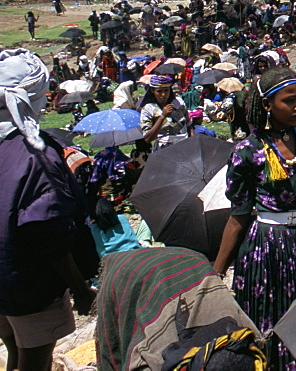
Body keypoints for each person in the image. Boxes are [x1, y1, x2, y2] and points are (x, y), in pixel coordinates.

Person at [213, 67, 296, 370]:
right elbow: (239, 216)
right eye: (289, 101)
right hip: (267, 250)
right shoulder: (248, 151)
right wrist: (216, 272)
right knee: (270, 324)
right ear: (267, 105)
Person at [0, 49, 97, 371]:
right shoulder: (35, 154)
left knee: (13, 346)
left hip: (4, 277)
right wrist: (80, 288)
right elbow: (47, 233)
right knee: (35, 359)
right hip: (28, 281)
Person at [98, 247, 265, 370]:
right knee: (119, 338)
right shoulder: (152, 359)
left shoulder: (252, 351)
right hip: (134, 271)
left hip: (188, 265)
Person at [139, 74, 193, 151]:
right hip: (163, 149)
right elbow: (148, 138)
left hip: (184, 146)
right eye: (159, 91)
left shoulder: (179, 103)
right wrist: (162, 116)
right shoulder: (148, 109)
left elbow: (188, 125)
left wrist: (193, 144)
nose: (163, 95)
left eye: (166, 90)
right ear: (152, 90)